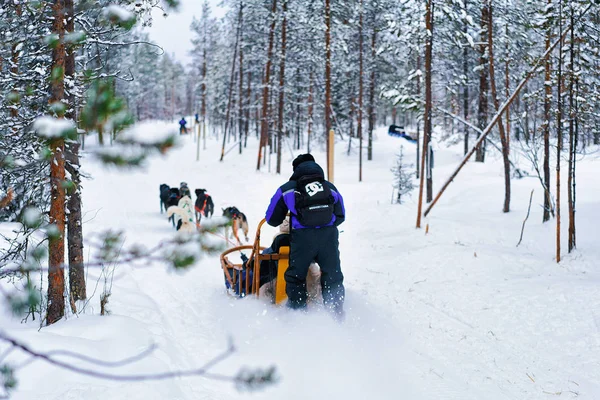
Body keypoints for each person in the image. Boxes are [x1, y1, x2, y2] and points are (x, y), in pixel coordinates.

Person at [265, 153, 345, 316]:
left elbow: (272, 219)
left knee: (296, 276)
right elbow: (341, 215)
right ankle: (336, 314)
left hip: (302, 240)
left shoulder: (287, 188)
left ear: (295, 169)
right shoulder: (329, 186)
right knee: (333, 275)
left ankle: (298, 316)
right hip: (328, 237)